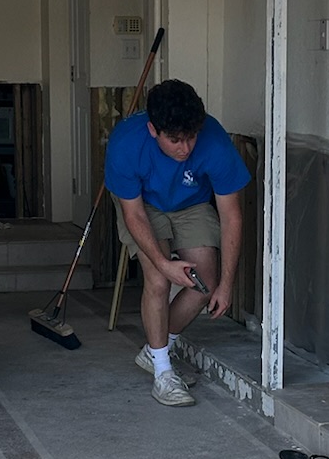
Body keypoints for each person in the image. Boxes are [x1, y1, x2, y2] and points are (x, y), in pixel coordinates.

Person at [103, 78, 250, 407]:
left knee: (205, 284)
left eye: (191, 137)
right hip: (144, 206)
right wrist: (164, 262)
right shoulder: (126, 143)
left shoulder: (214, 140)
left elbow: (232, 216)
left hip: (190, 204)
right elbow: (135, 215)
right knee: (157, 278)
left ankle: (154, 351)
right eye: (175, 140)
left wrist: (226, 285)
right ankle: (164, 373)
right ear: (153, 130)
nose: (185, 148)